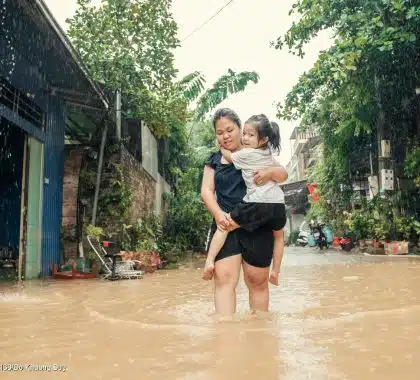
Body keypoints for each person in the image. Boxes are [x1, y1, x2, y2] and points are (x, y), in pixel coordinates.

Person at [201, 108, 288, 315]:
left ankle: (260, 336)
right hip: (227, 224)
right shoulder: (214, 160)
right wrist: (218, 214)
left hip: (257, 225)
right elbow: (206, 191)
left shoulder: (257, 154)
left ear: (240, 129)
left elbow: (283, 174)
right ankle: (225, 334)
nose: (225, 135)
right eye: (220, 132)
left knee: (257, 281)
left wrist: (269, 173)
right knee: (223, 279)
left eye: (230, 130)